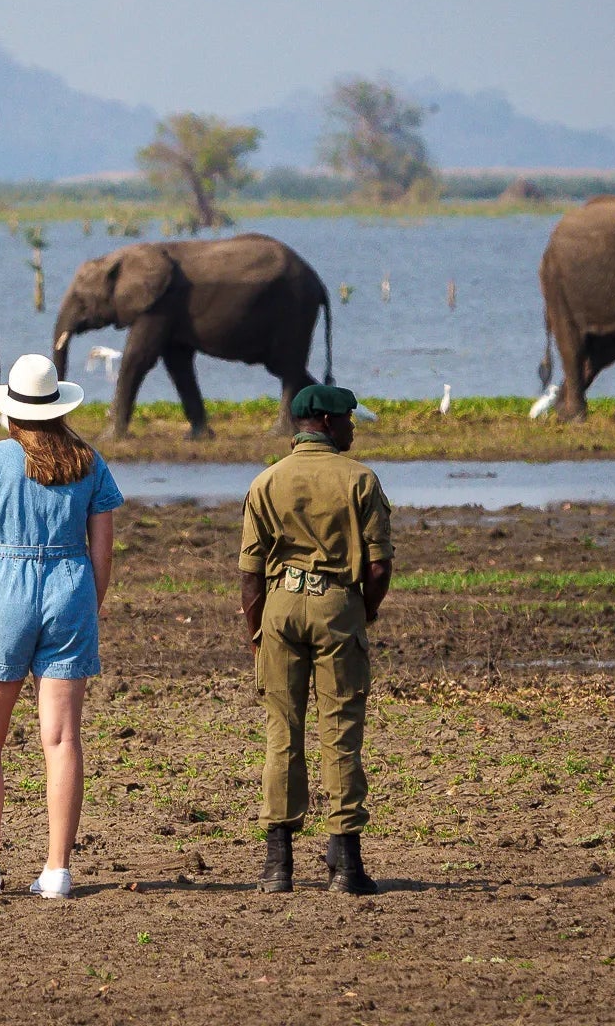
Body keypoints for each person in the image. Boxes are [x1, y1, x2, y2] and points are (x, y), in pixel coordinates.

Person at [0, 354, 121, 900]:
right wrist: (88, 605)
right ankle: (56, 870)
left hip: (6, 587)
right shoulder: (89, 461)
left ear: (12, 412)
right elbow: (103, 554)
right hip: (71, 585)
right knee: (63, 737)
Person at [237, 383, 394, 895]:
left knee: (283, 733)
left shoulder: (265, 482)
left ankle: (277, 865)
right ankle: (346, 863)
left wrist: (257, 632)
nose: (352, 427)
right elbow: (377, 566)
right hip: (337, 608)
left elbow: (250, 575)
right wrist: (361, 612)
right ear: (326, 422)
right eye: (348, 418)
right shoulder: (361, 481)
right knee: (341, 733)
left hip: (280, 606)